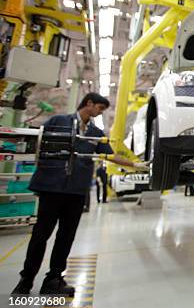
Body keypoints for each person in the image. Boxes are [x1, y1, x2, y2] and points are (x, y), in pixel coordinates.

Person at [12, 93, 149, 296]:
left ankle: (53, 279)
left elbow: (110, 155)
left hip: (76, 191)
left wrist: (136, 164)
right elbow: (41, 146)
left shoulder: (95, 132)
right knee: (41, 235)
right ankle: (26, 280)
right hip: (52, 188)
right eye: (100, 108)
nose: (100, 112)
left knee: (66, 236)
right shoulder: (59, 121)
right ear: (89, 103)